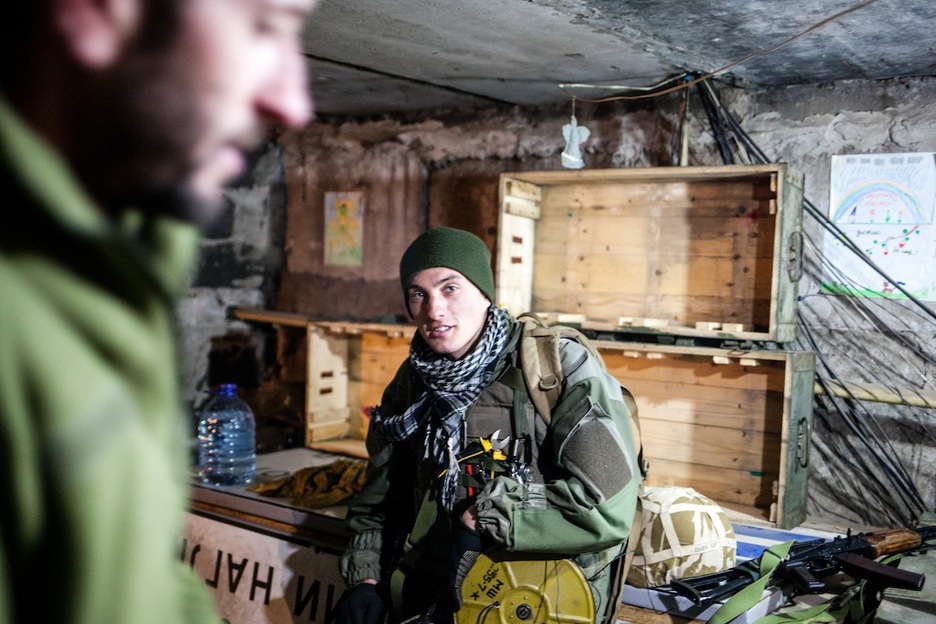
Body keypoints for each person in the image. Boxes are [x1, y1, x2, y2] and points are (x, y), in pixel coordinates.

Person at [0, 1, 318, 623]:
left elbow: (129, 575)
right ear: (97, 11)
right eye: (264, 27)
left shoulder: (107, 271)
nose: (294, 101)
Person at [337, 227, 642, 624]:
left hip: (538, 599)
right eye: (419, 294)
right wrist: (366, 578)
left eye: (450, 288)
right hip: (434, 595)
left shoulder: (558, 368)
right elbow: (381, 498)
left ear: (484, 292)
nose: (434, 311)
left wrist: (486, 516)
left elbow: (605, 506)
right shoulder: (413, 381)